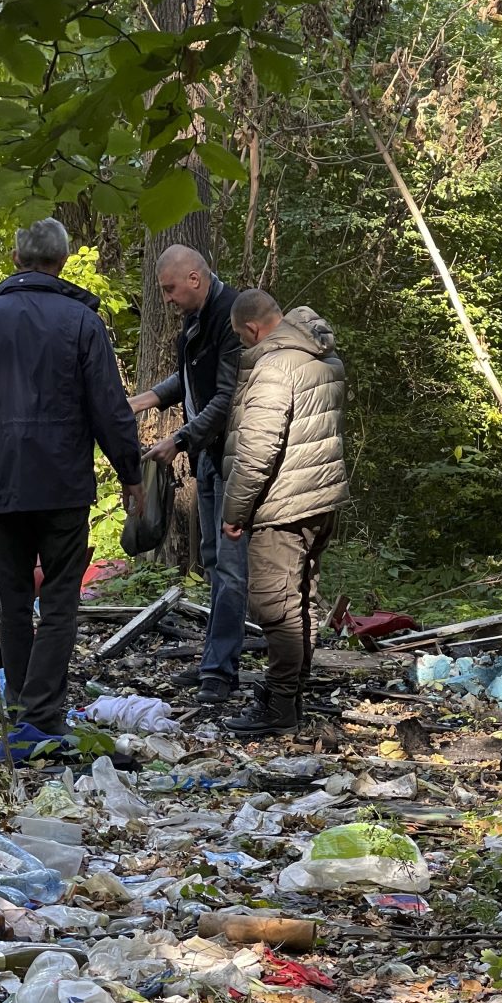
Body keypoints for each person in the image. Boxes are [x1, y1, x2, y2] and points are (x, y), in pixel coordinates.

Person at [0, 218, 143, 736]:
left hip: (2, 484)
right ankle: (42, 715)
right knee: (59, 600)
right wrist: (130, 474)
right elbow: (110, 408)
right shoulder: (82, 322)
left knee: (11, 596)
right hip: (62, 484)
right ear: (62, 260)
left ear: (15, 259)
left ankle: (17, 711)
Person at [220, 289, 349, 736]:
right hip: (319, 500)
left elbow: (258, 450)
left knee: (276, 610)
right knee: (301, 604)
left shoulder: (275, 366)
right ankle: (290, 696)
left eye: (242, 339)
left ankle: (278, 709)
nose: (244, 347)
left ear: (252, 329)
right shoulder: (321, 356)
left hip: (282, 506)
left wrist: (235, 511)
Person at [130, 245, 247, 705]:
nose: (167, 299)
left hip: (235, 459)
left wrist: (178, 440)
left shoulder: (231, 315)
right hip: (209, 458)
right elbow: (187, 375)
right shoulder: (197, 317)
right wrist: (145, 400)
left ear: (195, 278)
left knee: (233, 569)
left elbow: (226, 397)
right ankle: (214, 665)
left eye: (170, 289)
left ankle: (219, 673)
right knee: (214, 561)